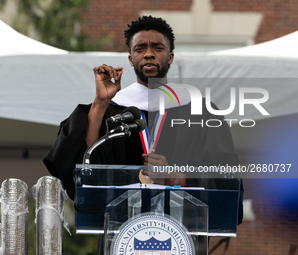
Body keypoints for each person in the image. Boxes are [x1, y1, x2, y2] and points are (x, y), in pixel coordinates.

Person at [44, 15, 243, 253]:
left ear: (170, 57)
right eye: (140, 48)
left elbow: (227, 177)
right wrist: (100, 102)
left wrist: (178, 178)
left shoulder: (201, 113)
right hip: (119, 241)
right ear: (130, 59)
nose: (149, 53)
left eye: (157, 47)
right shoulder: (109, 110)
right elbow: (81, 167)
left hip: (183, 241)